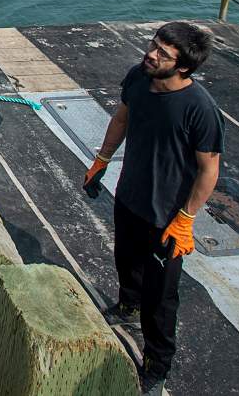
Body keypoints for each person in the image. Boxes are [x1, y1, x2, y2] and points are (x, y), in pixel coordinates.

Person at [83, 22, 223, 394]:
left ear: (184, 68)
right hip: (130, 196)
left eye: (163, 53)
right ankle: (126, 306)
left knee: (161, 298)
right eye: (153, 45)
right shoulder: (138, 77)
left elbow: (209, 170)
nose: (152, 54)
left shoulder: (200, 110)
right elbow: (122, 118)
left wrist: (186, 219)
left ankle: (157, 365)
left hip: (168, 217)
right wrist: (102, 160)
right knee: (125, 259)